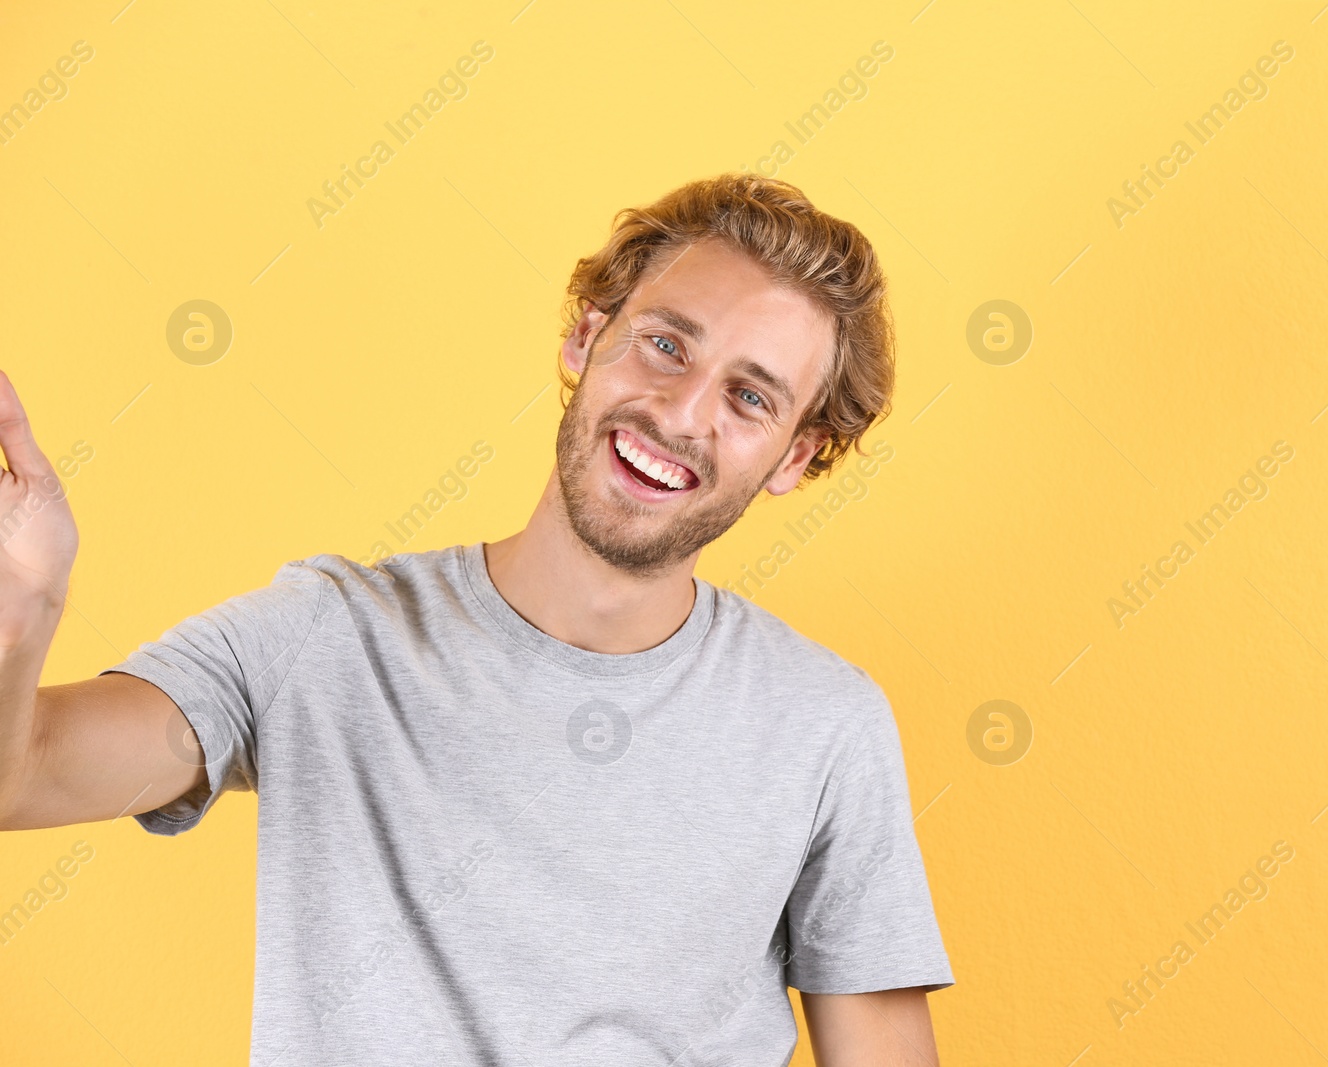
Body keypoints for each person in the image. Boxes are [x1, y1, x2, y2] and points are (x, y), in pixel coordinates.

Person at [0, 173, 952, 1065]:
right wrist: (28, 602)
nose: (682, 412)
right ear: (587, 338)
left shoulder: (828, 726)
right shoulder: (323, 640)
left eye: (750, 397)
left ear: (796, 457)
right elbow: (22, 775)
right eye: (666, 342)